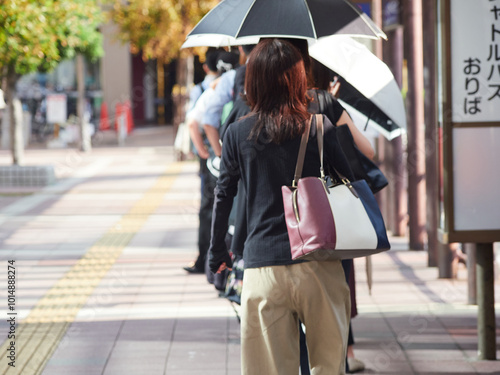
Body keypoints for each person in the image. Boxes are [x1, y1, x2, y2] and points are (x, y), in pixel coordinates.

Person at [208, 38, 353, 374]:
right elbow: (348, 182)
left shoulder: (236, 134)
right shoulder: (319, 128)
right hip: (319, 264)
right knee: (329, 366)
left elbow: (224, 194)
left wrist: (218, 252)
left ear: (253, 80)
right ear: (299, 79)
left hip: (263, 268)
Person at [183, 50, 240, 274]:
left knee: (214, 207)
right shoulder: (226, 84)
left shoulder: (211, 87)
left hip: (217, 160)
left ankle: (209, 262)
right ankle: (222, 264)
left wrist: (207, 153)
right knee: (225, 207)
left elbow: (194, 123)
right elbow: (201, 122)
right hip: (223, 158)